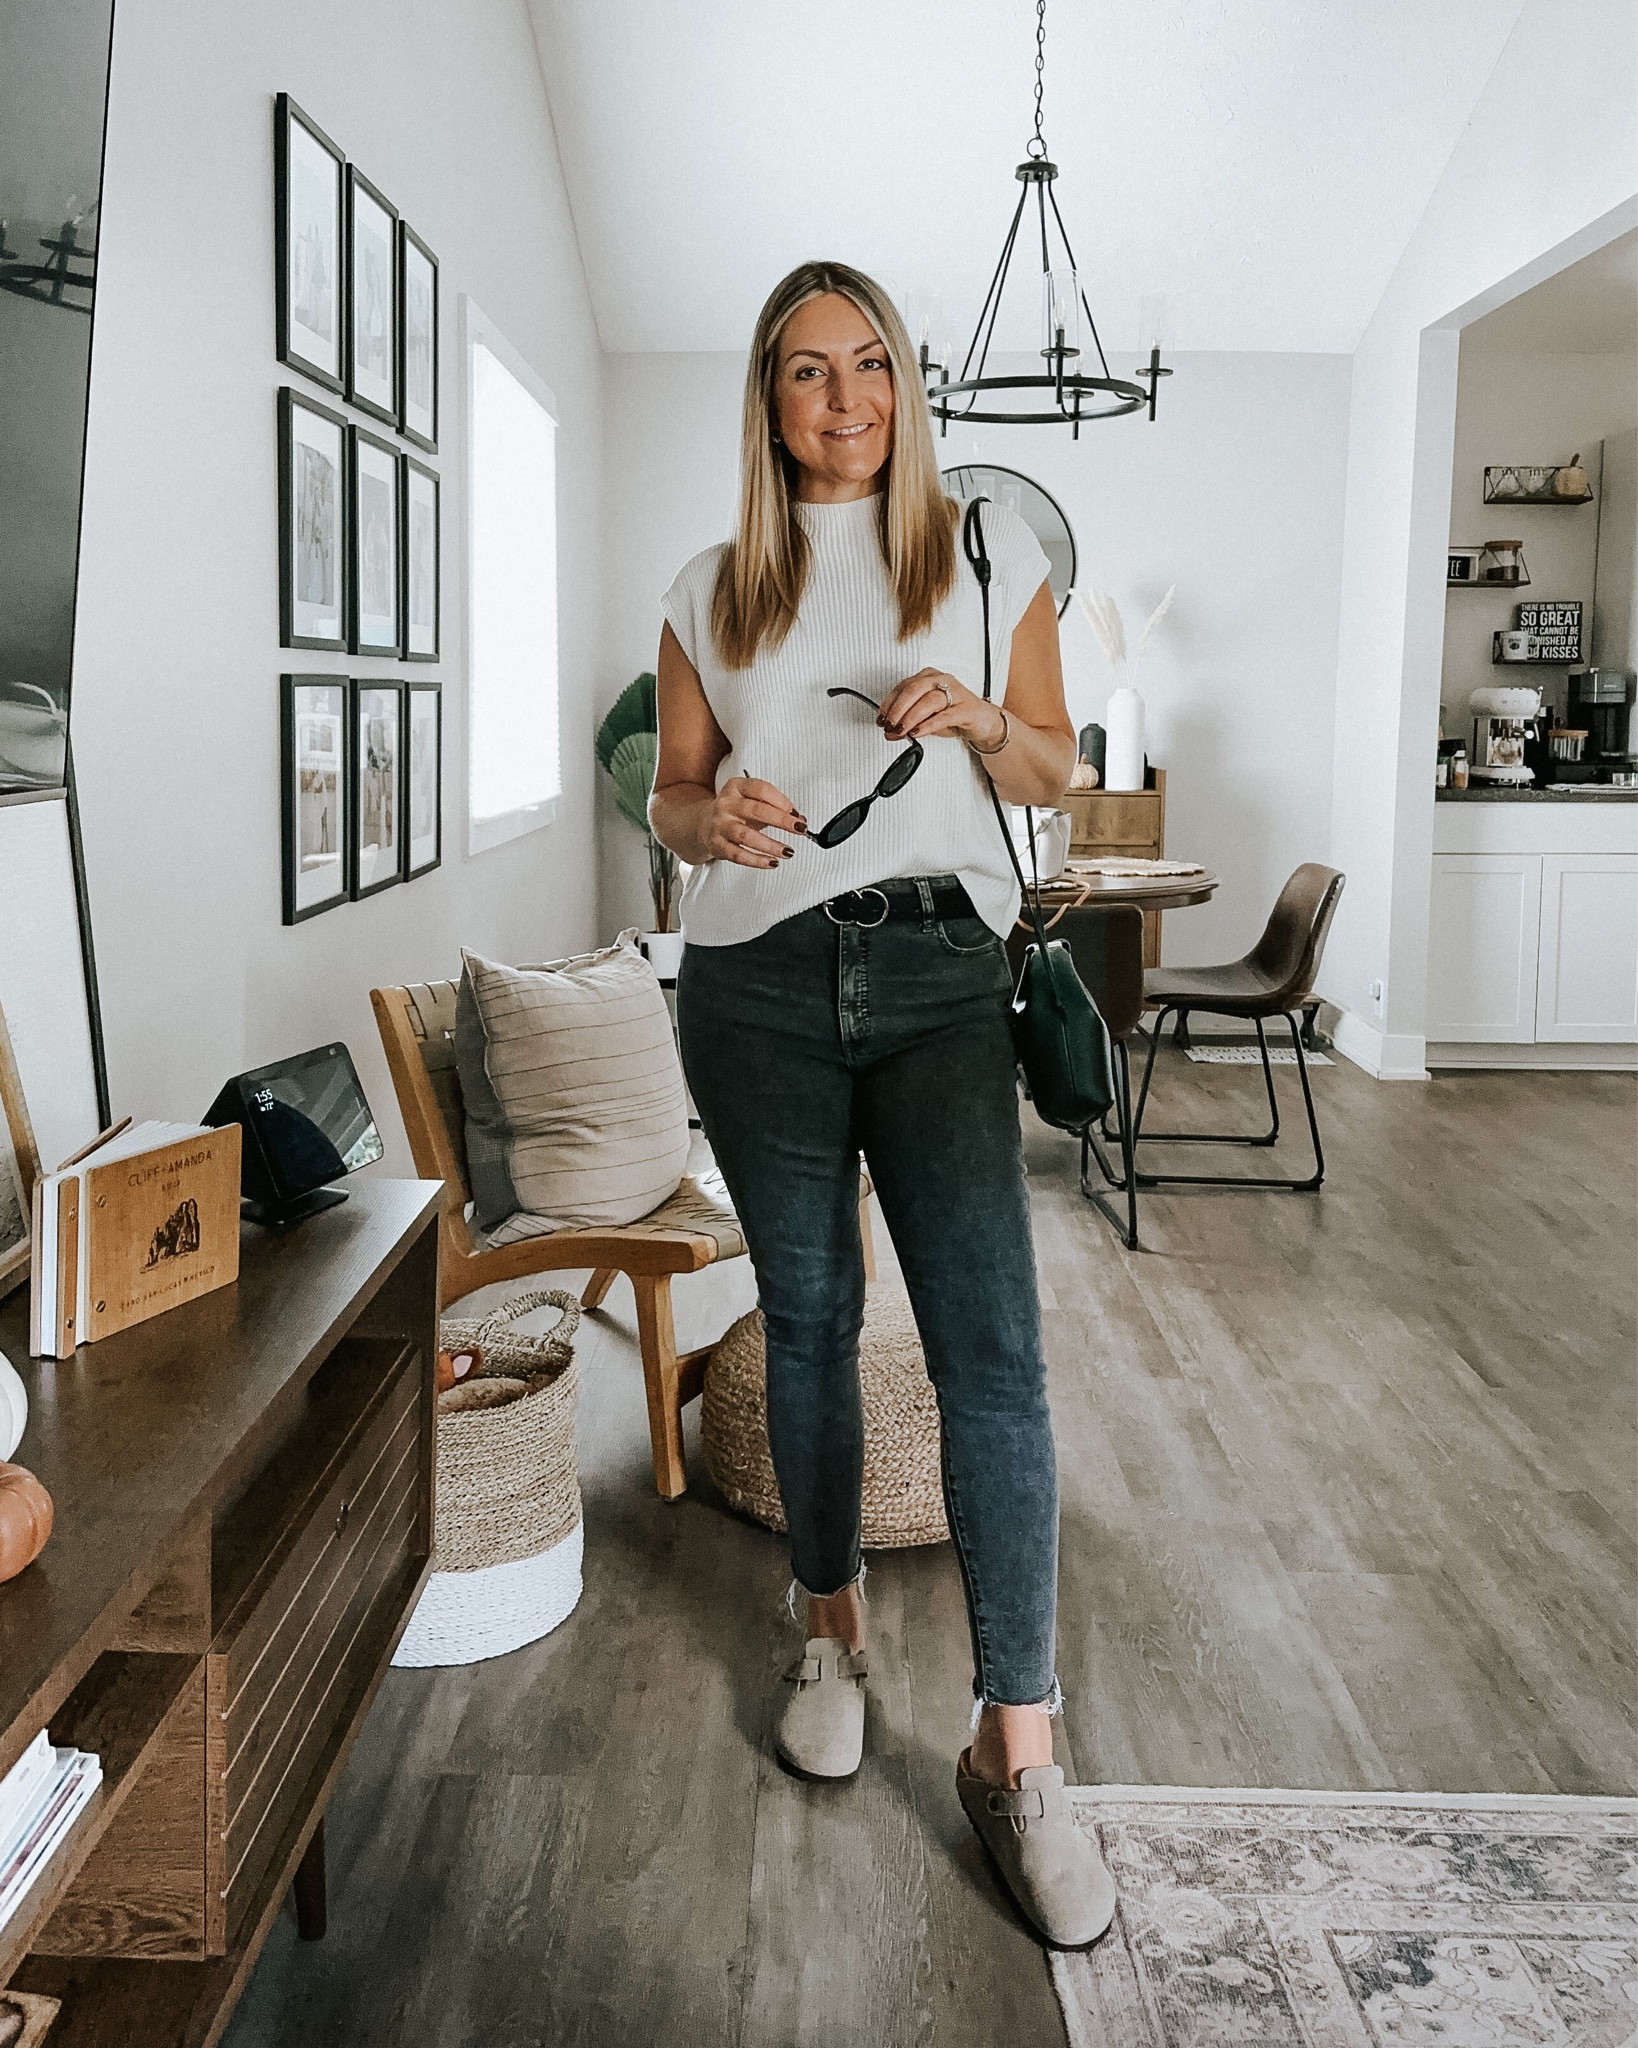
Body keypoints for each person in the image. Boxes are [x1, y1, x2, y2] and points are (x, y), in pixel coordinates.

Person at [650, 260, 1114, 1947]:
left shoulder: (989, 560)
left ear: (909, 389)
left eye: (869, 369)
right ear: (764, 401)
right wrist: (716, 820)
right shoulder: (711, 587)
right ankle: (827, 1628)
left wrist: (987, 714)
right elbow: (671, 795)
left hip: (935, 984)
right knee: (814, 1317)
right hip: (755, 990)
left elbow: (1060, 769)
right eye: (802, 373)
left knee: (993, 1349)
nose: (842, 401)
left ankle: (1019, 1741)